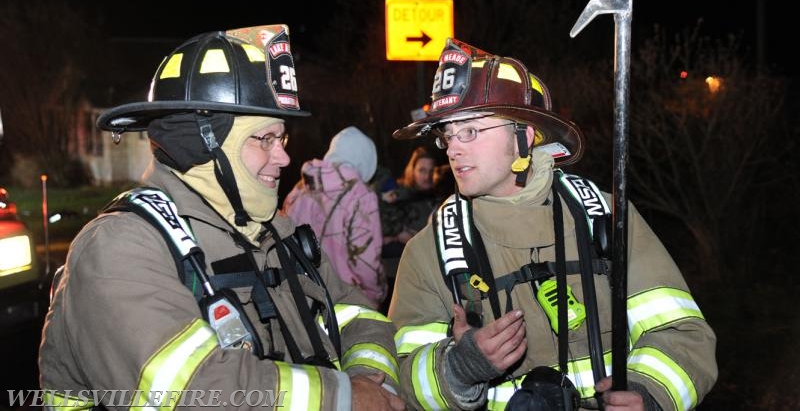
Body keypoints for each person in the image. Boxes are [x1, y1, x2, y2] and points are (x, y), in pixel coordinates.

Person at [39, 25, 404, 411]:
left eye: (282, 139)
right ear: (202, 143)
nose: (283, 158)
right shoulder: (119, 247)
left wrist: (367, 377)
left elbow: (359, 315)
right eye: (263, 139)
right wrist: (344, 398)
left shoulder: (278, 232)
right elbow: (189, 393)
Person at [388, 38, 717, 410]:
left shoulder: (605, 217)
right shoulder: (431, 251)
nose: (453, 148)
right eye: (447, 134)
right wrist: (457, 369)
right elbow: (398, 379)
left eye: (470, 131)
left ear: (523, 137)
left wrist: (650, 394)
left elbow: (684, 334)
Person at [283, 126, 387, 309]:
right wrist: (376, 294)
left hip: (304, 297)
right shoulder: (360, 195)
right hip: (348, 298)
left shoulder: (299, 190)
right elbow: (366, 261)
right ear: (366, 161)